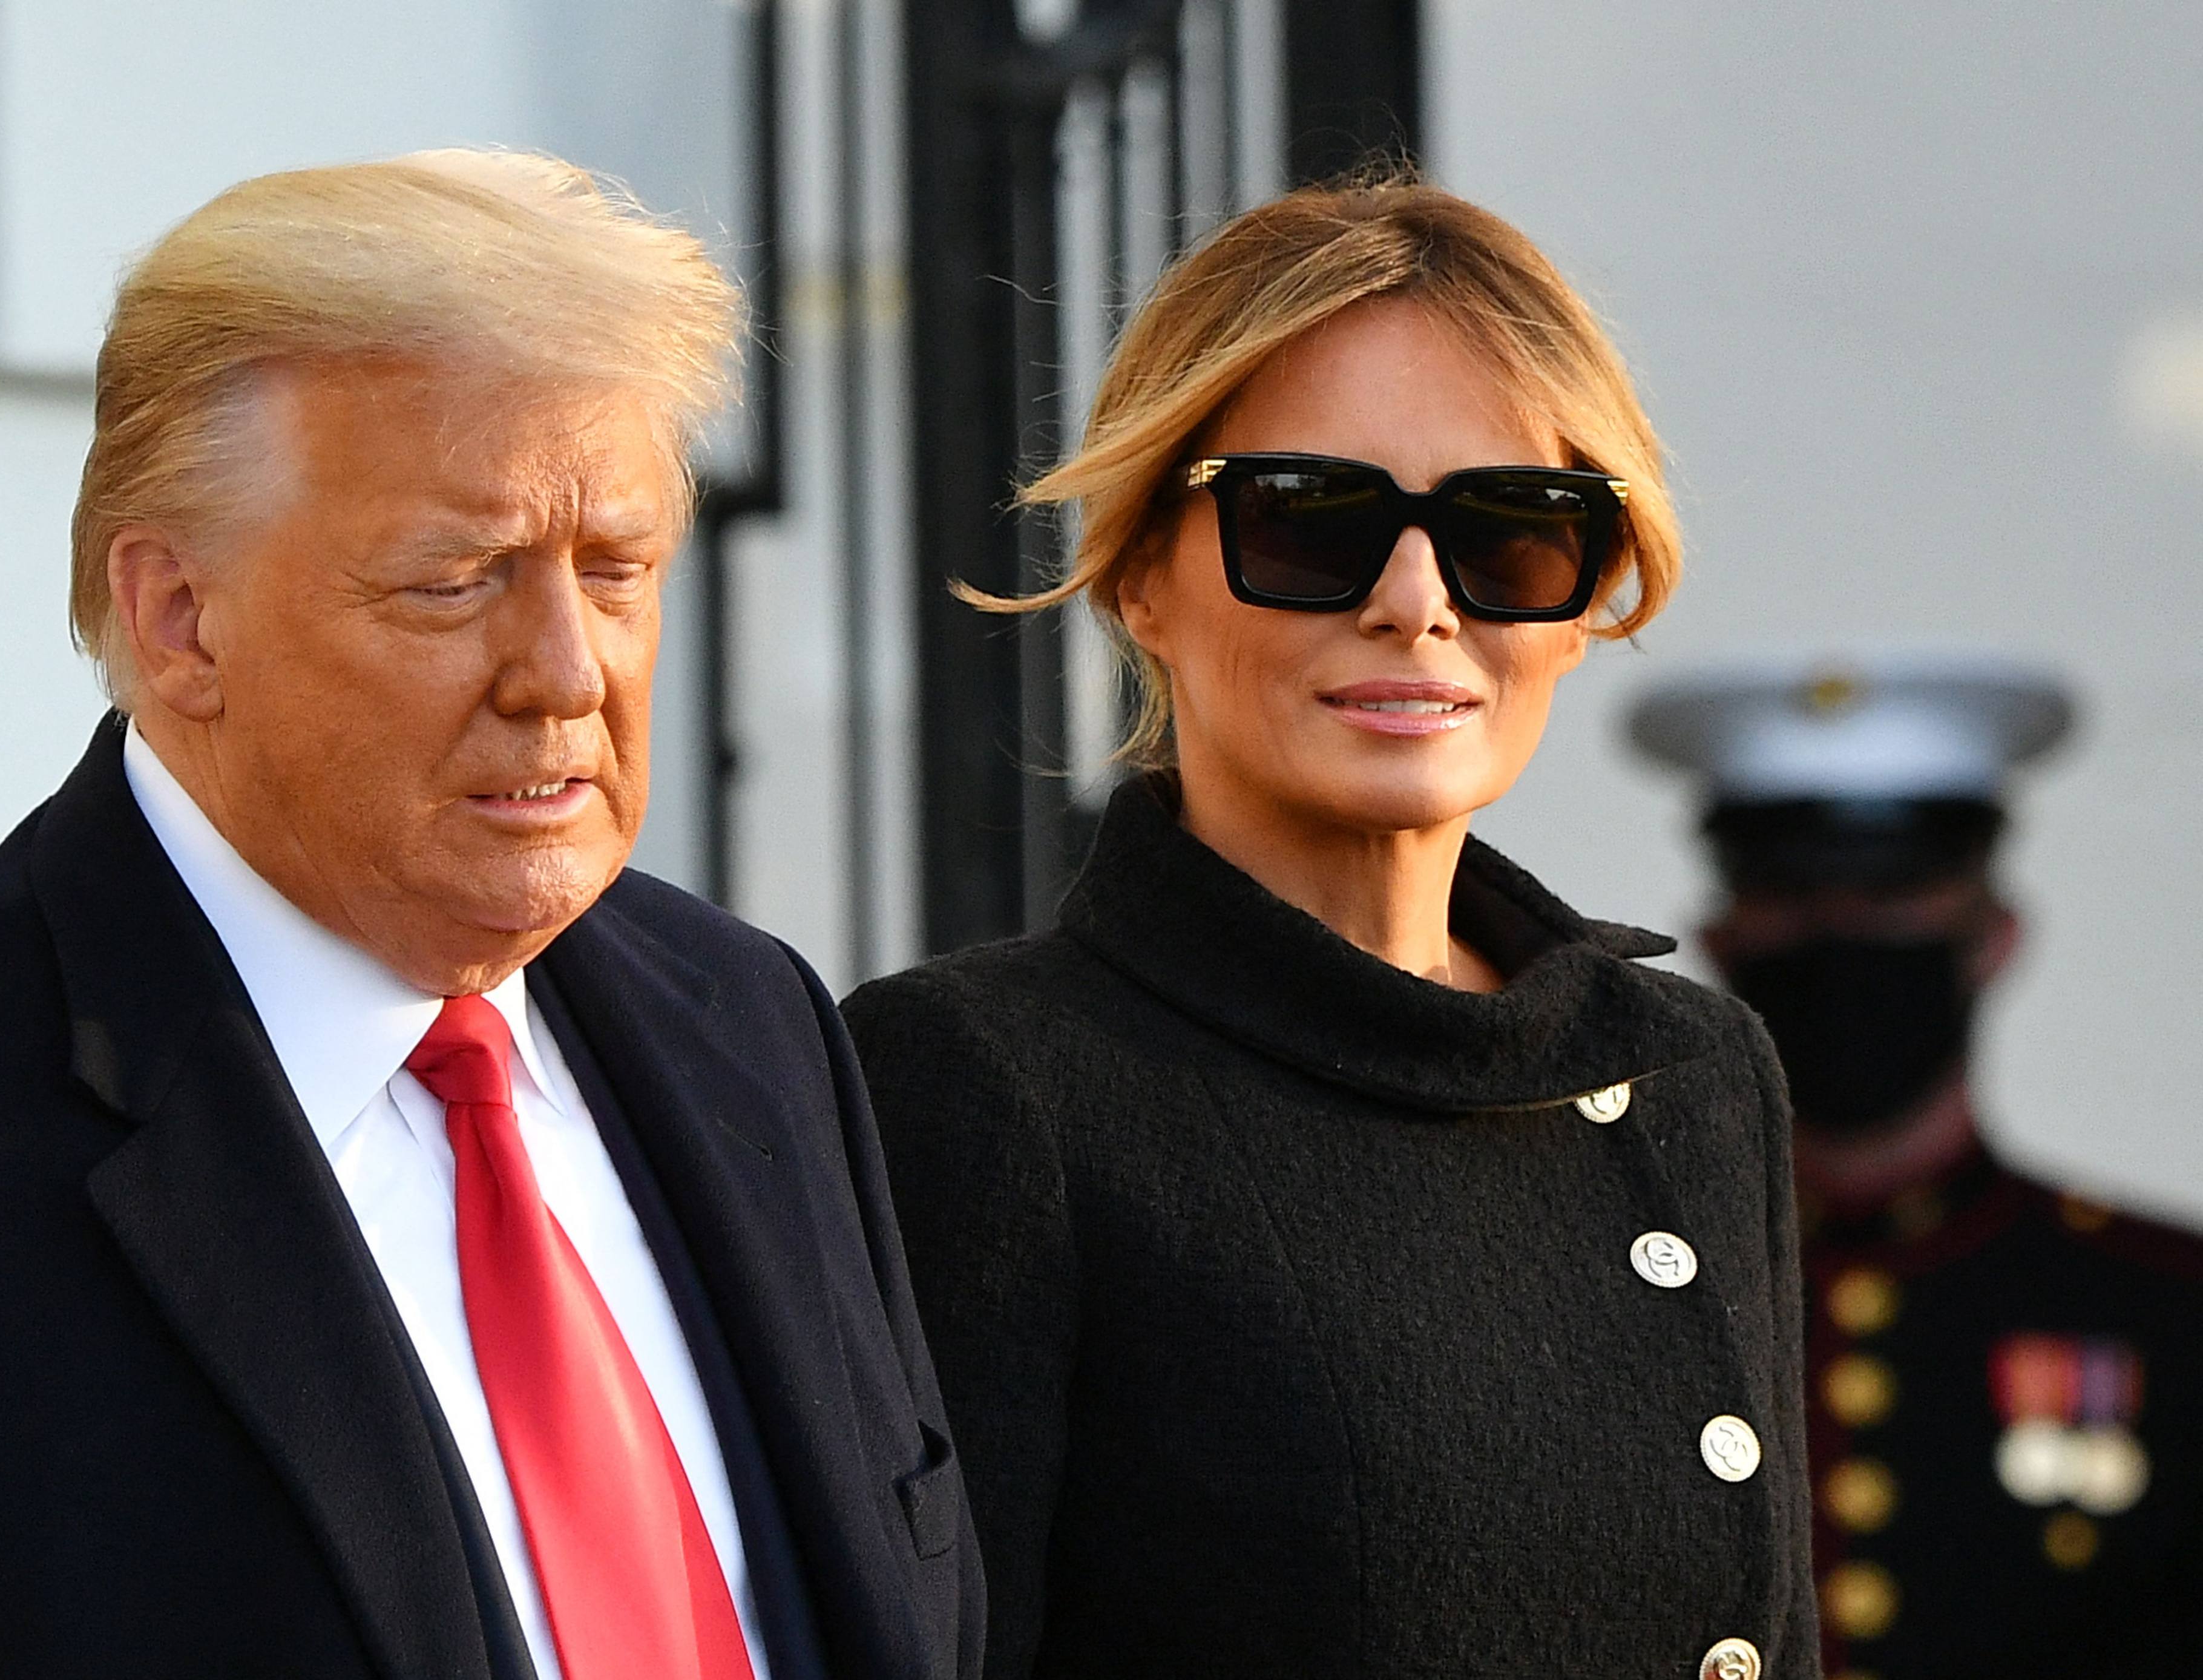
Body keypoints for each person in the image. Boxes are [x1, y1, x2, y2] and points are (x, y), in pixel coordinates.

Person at [0, 151, 979, 1680]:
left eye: (617, 567)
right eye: (457, 581)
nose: (568, 672)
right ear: (179, 616)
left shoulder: (752, 1021)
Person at [842, 177, 1818, 1680]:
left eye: (1511, 531)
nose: (1417, 601)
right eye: (1309, 521)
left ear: (1579, 599)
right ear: (1141, 574)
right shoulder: (983, 1079)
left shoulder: (1689, 1069)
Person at [1632, 656, 2203, 1680]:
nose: (1841, 932)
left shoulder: (2168, 1308)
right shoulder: (1619, 1297)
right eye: (1793, 891)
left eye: (1894, 889)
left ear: (1994, 937)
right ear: (1722, 943)